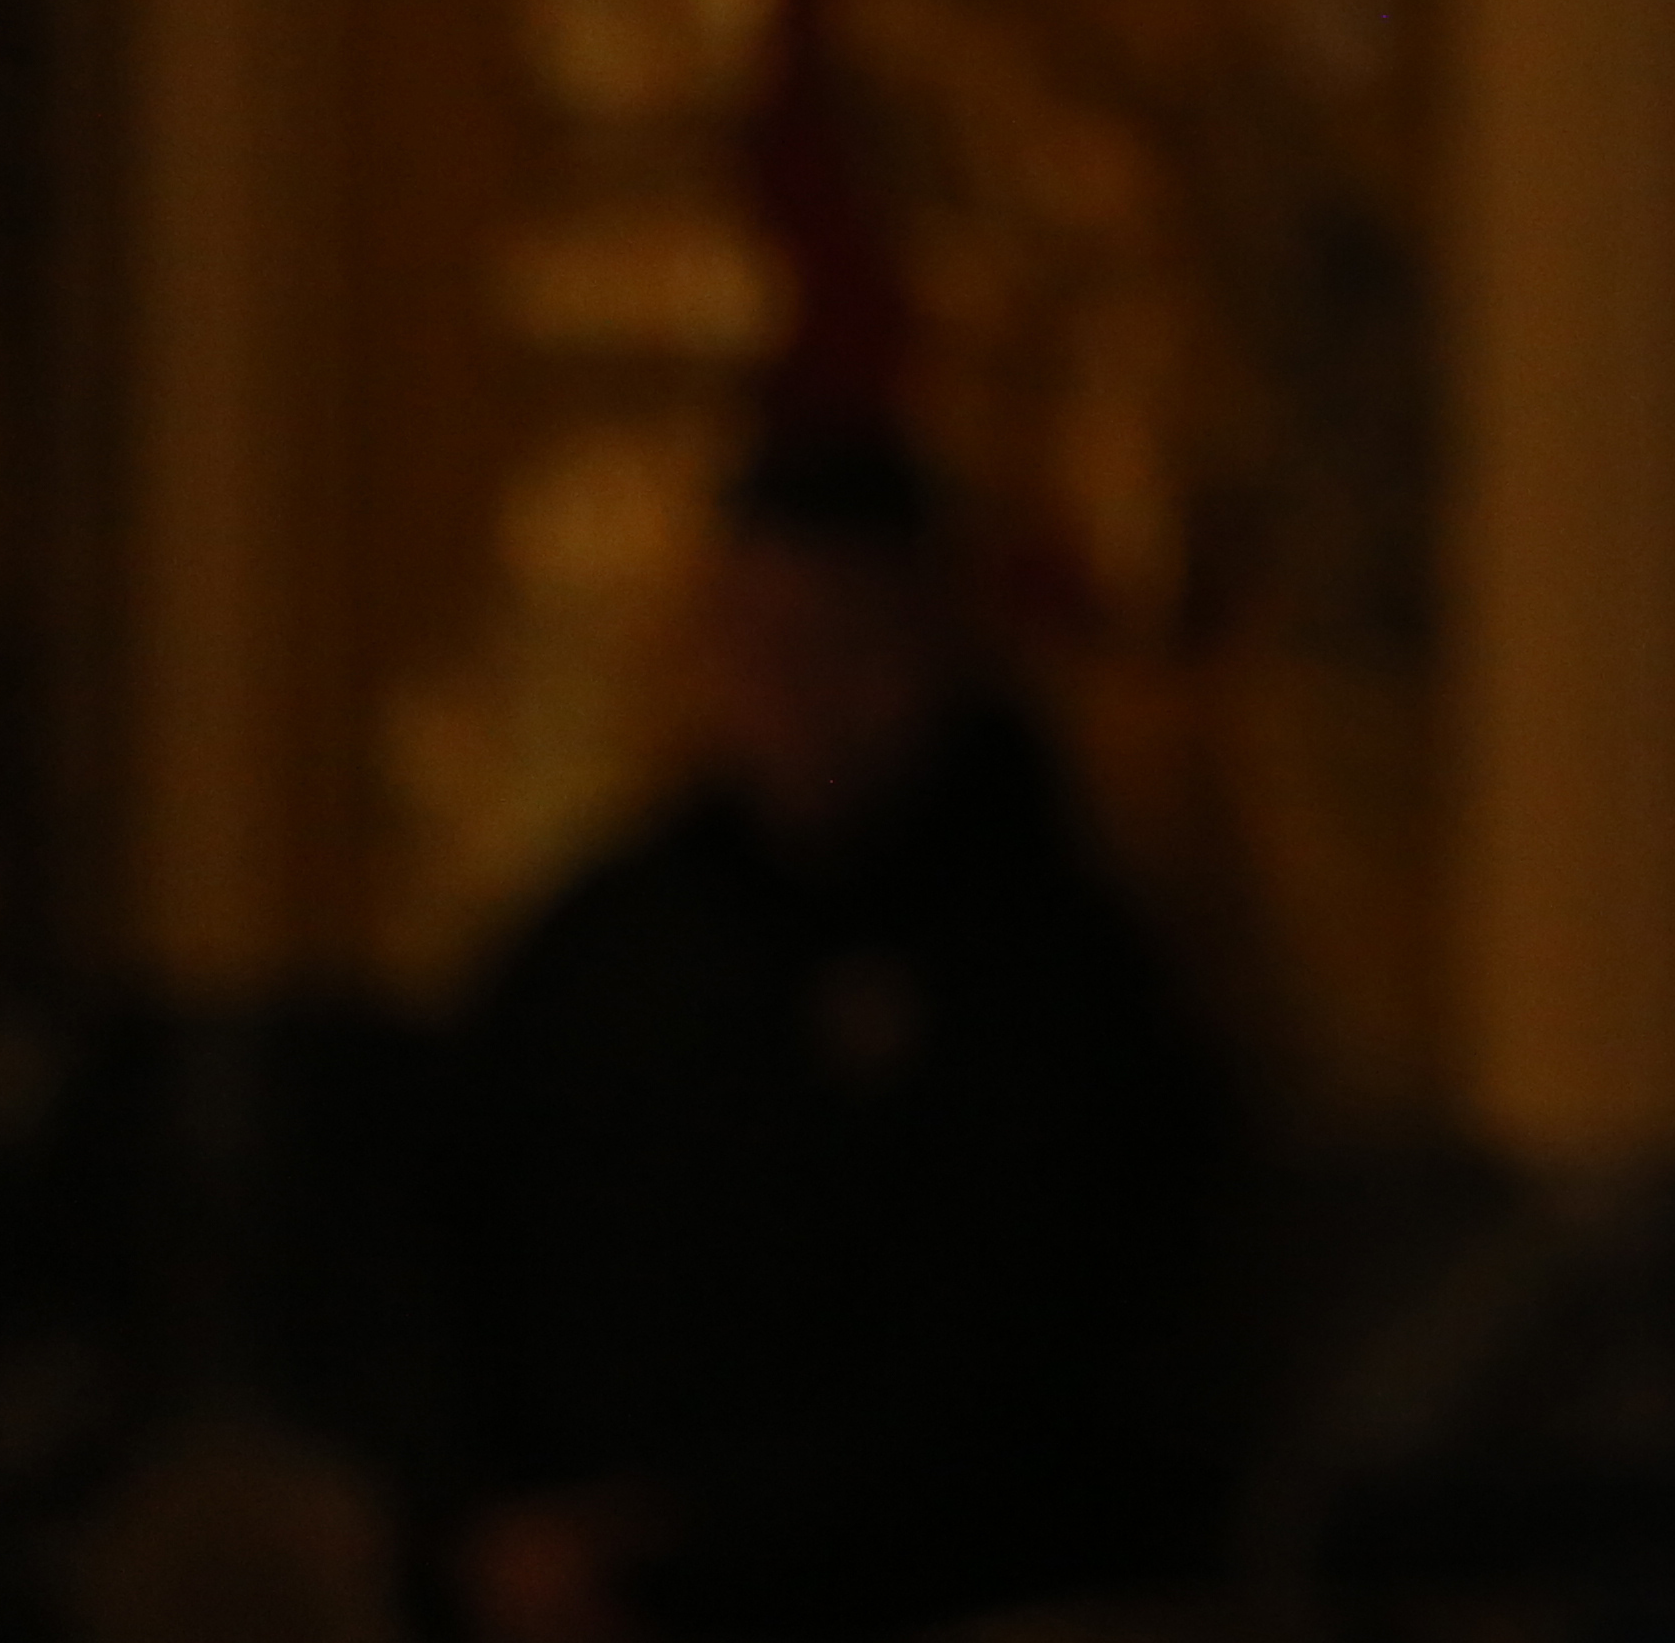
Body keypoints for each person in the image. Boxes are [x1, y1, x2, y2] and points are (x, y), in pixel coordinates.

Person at [439, 425, 1230, 1643]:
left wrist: (701, 1532)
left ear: (938, 647)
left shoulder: (1048, 963)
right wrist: (515, 1527)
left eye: (847, 644)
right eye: (759, 644)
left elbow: (1034, 1363)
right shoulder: (608, 946)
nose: (801, 695)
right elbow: (472, 1243)